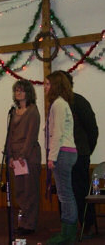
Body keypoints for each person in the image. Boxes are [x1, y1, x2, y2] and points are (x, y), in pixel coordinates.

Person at [61, 70, 98, 236]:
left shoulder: (79, 101)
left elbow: (92, 129)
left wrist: (86, 150)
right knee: (64, 192)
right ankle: (68, 227)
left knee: (80, 190)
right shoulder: (56, 104)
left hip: (79, 154)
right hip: (61, 156)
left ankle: (87, 225)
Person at [44, 71, 78, 244]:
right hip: (67, 152)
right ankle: (69, 233)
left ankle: (68, 235)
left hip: (62, 152)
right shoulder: (62, 103)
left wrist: (51, 157)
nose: (45, 87)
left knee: (65, 195)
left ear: (56, 86)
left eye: (48, 84)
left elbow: (56, 134)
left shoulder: (58, 104)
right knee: (66, 194)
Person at [6, 80, 41, 235]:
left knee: (30, 191)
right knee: (20, 191)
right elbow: (10, 136)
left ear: (28, 93)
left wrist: (22, 156)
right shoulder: (13, 112)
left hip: (29, 157)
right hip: (16, 157)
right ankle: (23, 222)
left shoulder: (33, 111)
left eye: (21, 90)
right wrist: (10, 156)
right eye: (16, 91)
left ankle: (30, 224)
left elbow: (31, 137)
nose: (18, 93)